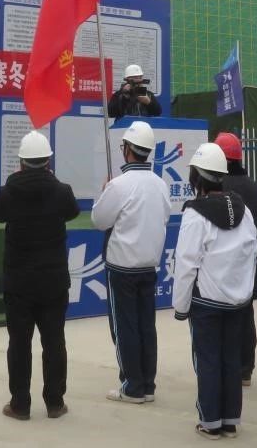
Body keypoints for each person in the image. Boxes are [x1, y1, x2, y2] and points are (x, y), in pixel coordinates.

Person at [0, 131, 79, 421]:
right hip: (53, 281)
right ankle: (55, 403)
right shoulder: (62, 191)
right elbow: (72, 212)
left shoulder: (8, 191)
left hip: (19, 282)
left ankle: (20, 405)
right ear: (48, 161)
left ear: (21, 162)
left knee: (19, 343)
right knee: (54, 342)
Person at [173, 142, 257, 439]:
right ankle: (230, 420)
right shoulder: (244, 211)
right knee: (231, 359)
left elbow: (186, 263)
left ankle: (210, 421)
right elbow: (251, 252)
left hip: (207, 302)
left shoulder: (196, 214)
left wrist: (181, 306)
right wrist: (244, 292)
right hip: (237, 301)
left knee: (208, 360)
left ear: (196, 177)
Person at [92, 122, 171, 405]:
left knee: (125, 327)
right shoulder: (160, 184)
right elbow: (164, 217)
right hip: (148, 265)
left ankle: (132, 386)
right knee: (146, 326)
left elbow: (99, 220)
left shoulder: (119, 185)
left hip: (122, 266)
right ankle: (147, 383)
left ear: (127, 149)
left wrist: (105, 192)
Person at [214, 131, 257, 386]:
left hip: (225, 271)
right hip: (251, 265)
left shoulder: (219, 189)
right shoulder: (254, 188)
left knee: (224, 323)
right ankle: (246, 368)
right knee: (246, 316)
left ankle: (230, 368)